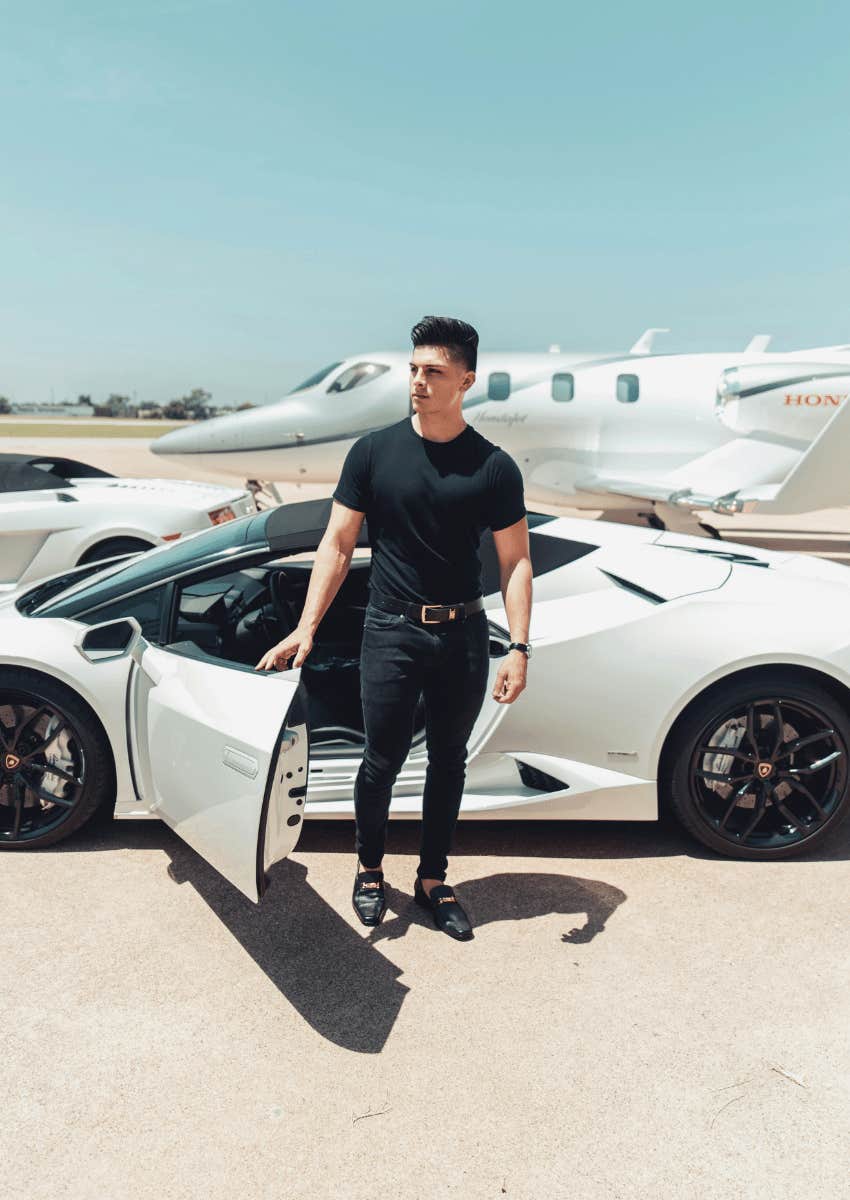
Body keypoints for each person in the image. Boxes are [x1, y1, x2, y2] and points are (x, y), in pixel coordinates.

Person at [256, 316, 532, 940]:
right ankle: (370, 870)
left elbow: (515, 562)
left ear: (466, 380)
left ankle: (433, 880)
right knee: (379, 759)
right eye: (413, 370)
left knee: (449, 763)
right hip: (390, 629)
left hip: (462, 634)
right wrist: (307, 627)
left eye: (433, 371)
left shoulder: (493, 467)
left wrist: (518, 646)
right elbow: (337, 542)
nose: (418, 381)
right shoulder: (374, 453)